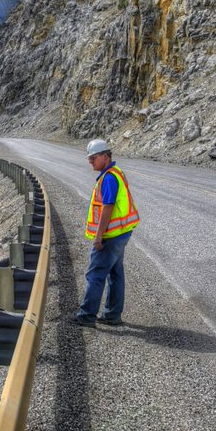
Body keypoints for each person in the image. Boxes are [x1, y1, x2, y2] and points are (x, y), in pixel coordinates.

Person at [75, 138, 139, 327]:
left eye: (93, 158)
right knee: (115, 274)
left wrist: (98, 235)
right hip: (122, 233)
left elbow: (107, 208)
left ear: (105, 156)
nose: (90, 161)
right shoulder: (115, 173)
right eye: (89, 158)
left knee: (95, 275)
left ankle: (86, 316)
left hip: (110, 236)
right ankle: (112, 315)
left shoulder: (109, 178)